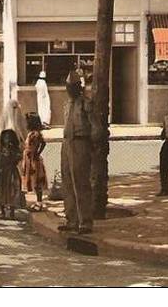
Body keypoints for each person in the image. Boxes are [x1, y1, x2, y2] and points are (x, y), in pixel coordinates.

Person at [60, 72, 95, 233]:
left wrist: (93, 145)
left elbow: (94, 126)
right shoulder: (67, 104)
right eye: (68, 86)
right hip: (67, 142)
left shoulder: (86, 104)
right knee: (67, 181)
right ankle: (71, 219)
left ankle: (85, 221)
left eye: (72, 87)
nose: (69, 90)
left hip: (81, 142)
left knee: (80, 182)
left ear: (78, 87)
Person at [0, 129, 23, 220]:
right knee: (1, 192)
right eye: (5, 138)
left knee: (12, 191)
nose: (7, 140)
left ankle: (12, 211)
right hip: (1, 174)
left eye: (9, 138)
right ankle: (3, 212)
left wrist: (12, 151)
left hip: (12, 173)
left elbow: (18, 159)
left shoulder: (15, 150)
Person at [22, 114, 48, 210]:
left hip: (33, 160)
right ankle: (38, 202)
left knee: (36, 181)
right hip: (30, 158)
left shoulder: (34, 134)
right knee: (33, 181)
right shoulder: (32, 133)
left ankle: (39, 202)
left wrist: (36, 153)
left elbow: (42, 144)